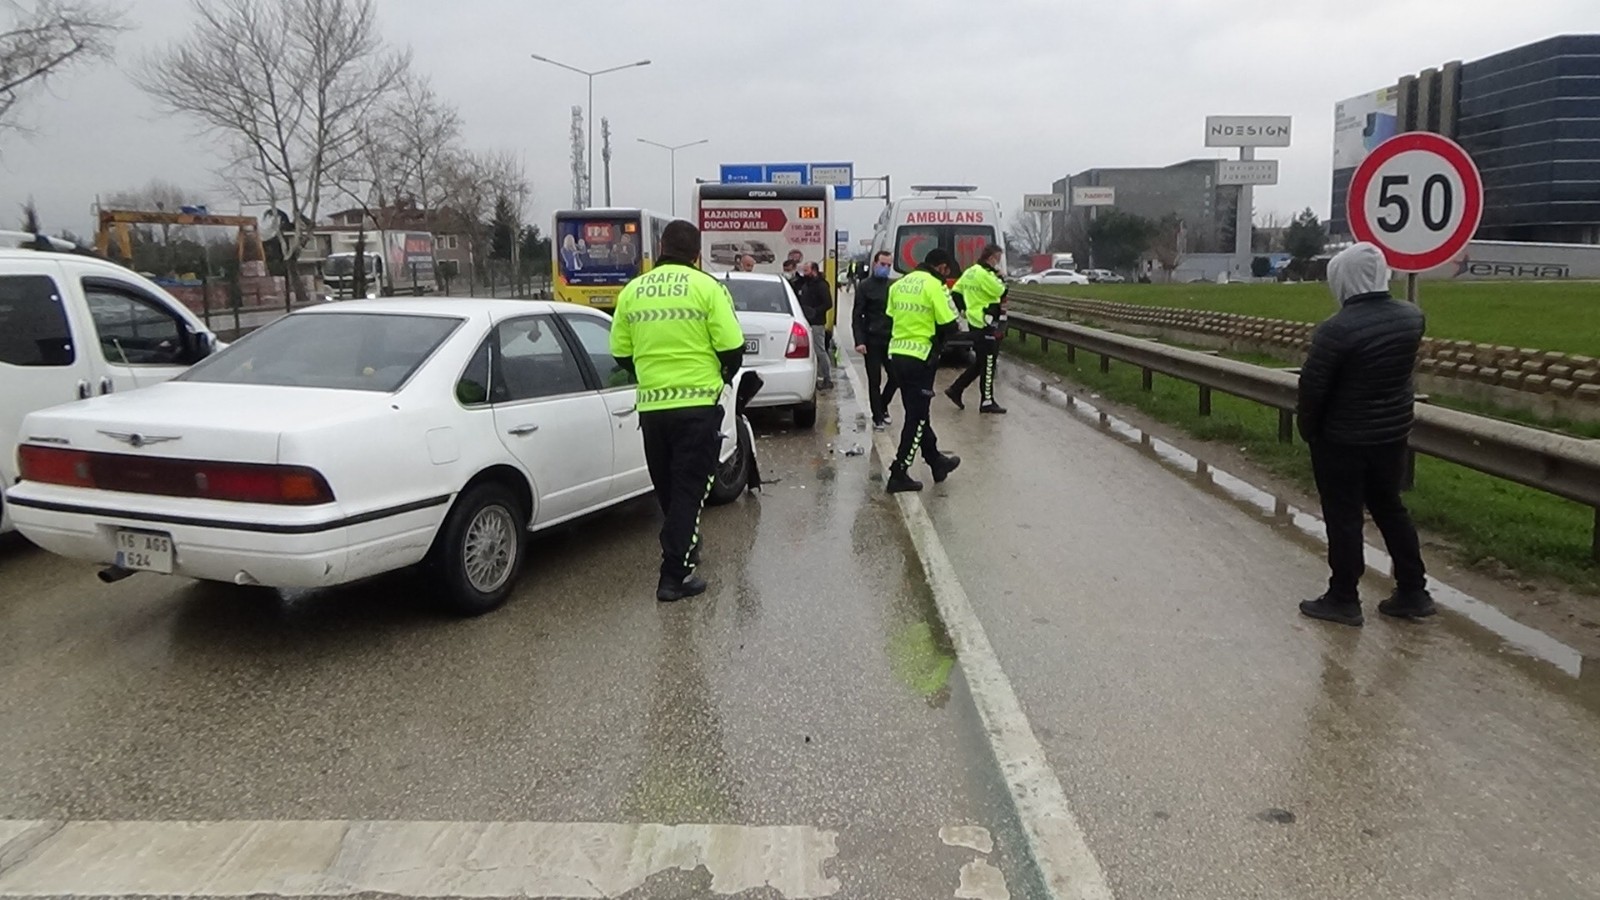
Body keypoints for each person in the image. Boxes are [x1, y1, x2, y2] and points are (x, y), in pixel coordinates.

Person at [1296, 242, 1434, 627]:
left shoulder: (1336, 330)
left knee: (1344, 517)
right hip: (1391, 436)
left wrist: (1309, 430)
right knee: (1390, 507)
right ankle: (1413, 590)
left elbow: (1313, 388)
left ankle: (1343, 597)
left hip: (1342, 439)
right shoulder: (1411, 318)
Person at [610, 219, 745, 603]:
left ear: (661, 248)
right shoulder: (708, 287)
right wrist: (722, 376)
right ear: (697, 254)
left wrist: (649, 375)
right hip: (697, 405)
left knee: (669, 488)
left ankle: (685, 545)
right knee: (690, 490)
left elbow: (620, 352)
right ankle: (674, 575)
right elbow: (732, 346)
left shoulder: (633, 291)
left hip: (653, 407)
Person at [885, 248, 962, 493]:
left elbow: (890, 316)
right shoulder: (934, 286)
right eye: (947, 271)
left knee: (917, 412)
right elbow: (950, 324)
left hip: (897, 355)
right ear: (942, 267)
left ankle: (936, 461)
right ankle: (899, 471)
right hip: (920, 358)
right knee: (917, 418)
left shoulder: (899, 284)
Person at [944, 243, 1009, 415]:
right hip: (986, 322)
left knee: (981, 361)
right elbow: (1002, 290)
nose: (998, 263)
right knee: (989, 362)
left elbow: (956, 292)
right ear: (991, 257)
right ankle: (987, 401)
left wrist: (964, 310)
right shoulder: (985, 275)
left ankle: (956, 389)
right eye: (998, 259)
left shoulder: (970, 271)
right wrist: (1000, 277)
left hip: (974, 321)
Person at [852, 250, 898, 429]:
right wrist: (859, 341)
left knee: (896, 377)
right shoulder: (864, 286)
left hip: (891, 339)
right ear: (874, 264)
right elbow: (857, 315)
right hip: (871, 340)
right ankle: (877, 416)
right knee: (874, 380)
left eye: (888, 265)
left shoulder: (893, 286)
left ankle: (883, 406)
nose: (885, 268)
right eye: (882, 264)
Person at [795, 261, 834, 389]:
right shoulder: (805, 284)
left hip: (817, 323)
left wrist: (815, 312)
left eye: (806, 270)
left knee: (819, 350)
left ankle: (827, 378)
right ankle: (815, 377)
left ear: (814, 271)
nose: (804, 273)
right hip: (805, 321)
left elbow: (828, 303)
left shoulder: (821, 285)